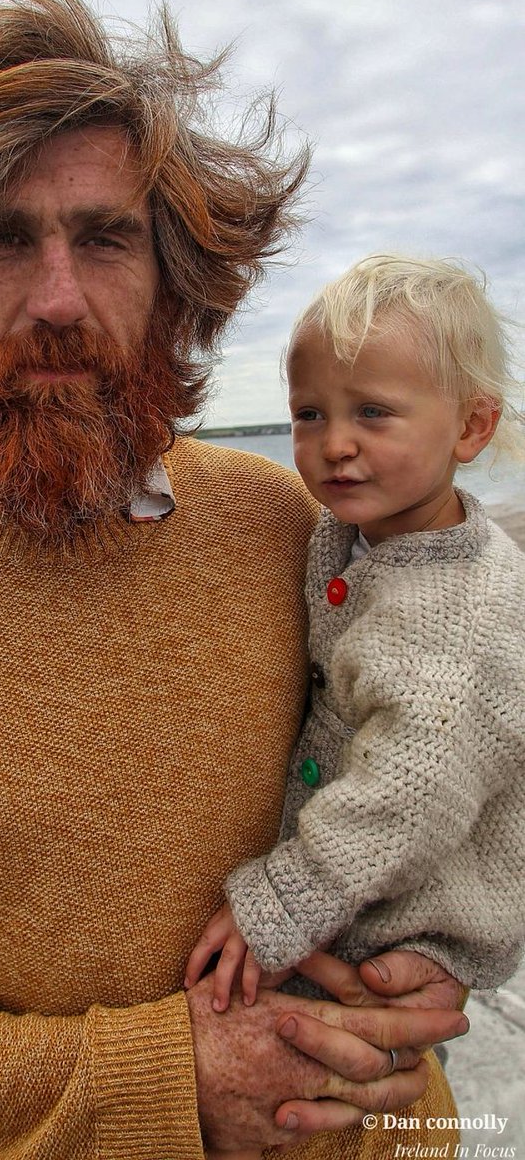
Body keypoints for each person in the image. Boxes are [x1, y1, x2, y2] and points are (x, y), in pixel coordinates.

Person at [0, 0, 468, 1160]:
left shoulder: (290, 526)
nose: (59, 299)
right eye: (2, 237)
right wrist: (160, 1082)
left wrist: (431, 944)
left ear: (174, 282)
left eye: (105, 238)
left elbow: (431, 748)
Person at [187, 255, 525, 1034]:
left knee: (336, 1090)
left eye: (373, 412)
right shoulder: (348, 537)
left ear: (471, 426)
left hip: (403, 930)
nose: (335, 443)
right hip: (365, 903)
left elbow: (410, 793)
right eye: (310, 415)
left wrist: (284, 897)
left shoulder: (461, 617)